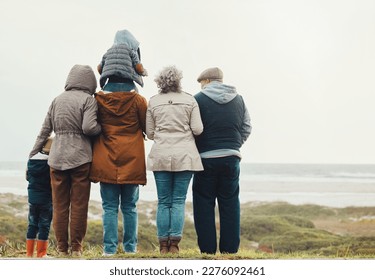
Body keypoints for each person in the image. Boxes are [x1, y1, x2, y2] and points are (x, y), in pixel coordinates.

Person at [29, 64, 101, 257]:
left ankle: (62, 248)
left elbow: (44, 131)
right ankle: (76, 248)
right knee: (79, 204)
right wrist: (99, 129)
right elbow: (88, 128)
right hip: (81, 158)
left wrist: (32, 155)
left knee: (59, 205)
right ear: (90, 82)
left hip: (57, 158)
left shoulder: (57, 100)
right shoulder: (88, 100)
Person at [193, 67, 252, 254]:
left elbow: (193, 129)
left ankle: (208, 251)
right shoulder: (239, 99)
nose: (201, 86)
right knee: (230, 204)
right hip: (231, 158)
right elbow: (247, 127)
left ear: (208, 81)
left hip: (206, 159)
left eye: (202, 83)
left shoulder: (198, 99)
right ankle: (229, 251)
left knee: (203, 204)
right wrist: (234, 145)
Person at [146, 66, 204, 254]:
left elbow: (150, 132)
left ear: (159, 81)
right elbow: (198, 129)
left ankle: (163, 245)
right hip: (185, 155)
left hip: (161, 153)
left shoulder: (153, 101)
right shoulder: (190, 100)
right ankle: (174, 246)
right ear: (179, 80)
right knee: (179, 200)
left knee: (163, 201)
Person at [89, 71, 148, 256]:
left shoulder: (98, 100)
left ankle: (109, 250)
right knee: (130, 207)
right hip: (132, 159)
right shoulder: (138, 101)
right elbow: (147, 127)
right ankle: (130, 249)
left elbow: (92, 126)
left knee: (109, 207)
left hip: (106, 158)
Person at [25, 137, 53, 258]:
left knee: (32, 224)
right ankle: (41, 253)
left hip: (32, 198)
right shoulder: (51, 163)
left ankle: (29, 253)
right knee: (44, 225)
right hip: (46, 199)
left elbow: (27, 177)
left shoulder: (31, 160)